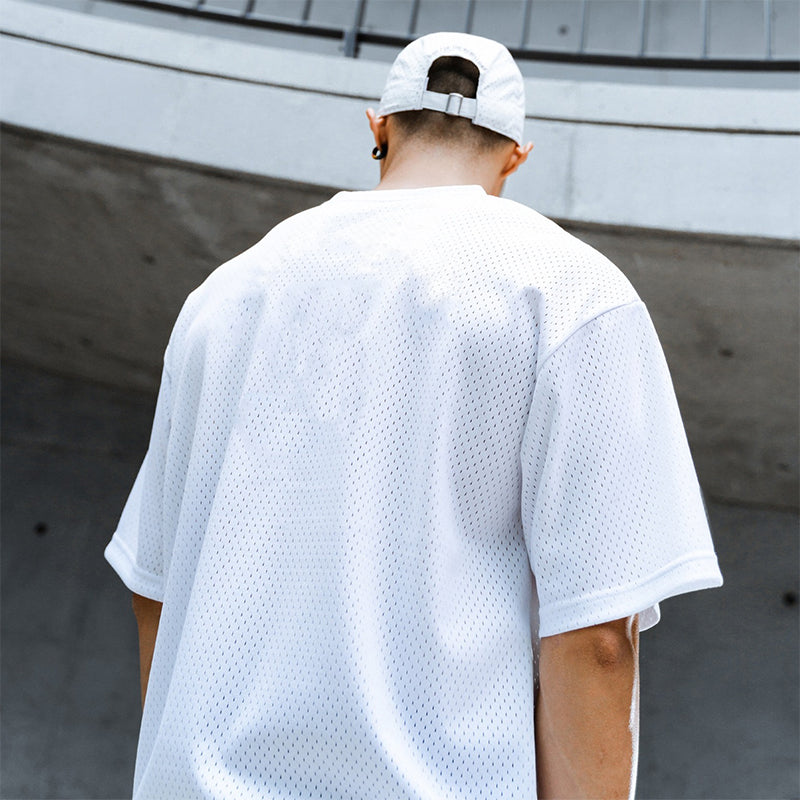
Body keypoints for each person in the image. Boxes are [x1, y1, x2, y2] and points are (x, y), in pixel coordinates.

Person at [105, 31, 723, 799]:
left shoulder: (225, 296)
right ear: (516, 155)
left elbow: (156, 587)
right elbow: (596, 636)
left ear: (379, 128)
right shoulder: (572, 293)